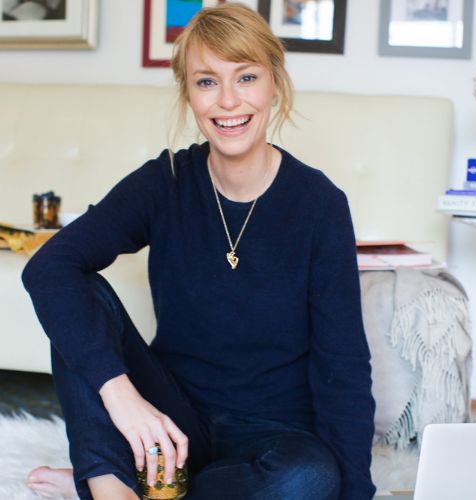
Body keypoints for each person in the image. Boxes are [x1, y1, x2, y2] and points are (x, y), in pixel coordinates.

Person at [22, 4, 376, 499]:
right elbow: (49, 267)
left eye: (246, 77)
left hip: (271, 435)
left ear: (275, 83)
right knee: (78, 293)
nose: (228, 101)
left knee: (309, 478)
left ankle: (140, 484)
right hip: (172, 418)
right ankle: (109, 486)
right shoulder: (165, 181)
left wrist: (354, 493)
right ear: (188, 94)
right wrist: (121, 396)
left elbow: (344, 364)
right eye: (207, 81)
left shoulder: (319, 204)